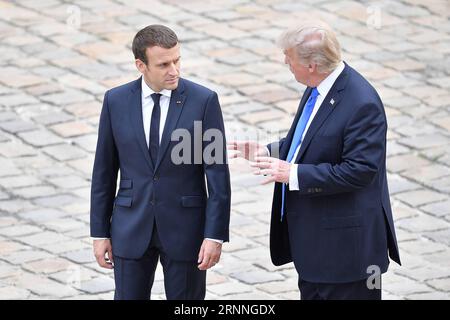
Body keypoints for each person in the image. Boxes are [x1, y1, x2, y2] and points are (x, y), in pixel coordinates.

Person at [229, 21, 401, 300]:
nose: (286, 62)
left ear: (312, 66)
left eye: (290, 59)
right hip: (316, 251)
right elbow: (309, 141)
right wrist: (267, 151)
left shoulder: (361, 103)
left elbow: (360, 171)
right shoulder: (318, 86)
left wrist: (293, 174)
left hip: (346, 257)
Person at [90, 24, 231, 300]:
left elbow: (217, 175)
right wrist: (99, 232)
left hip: (186, 231)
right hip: (129, 228)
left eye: (177, 60)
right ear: (141, 65)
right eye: (164, 64)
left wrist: (214, 235)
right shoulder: (115, 101)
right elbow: (104, 171)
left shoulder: (204, 101)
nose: (174, 70)